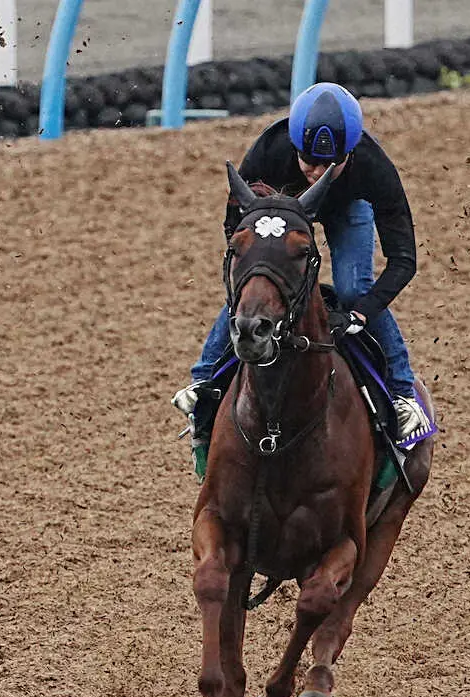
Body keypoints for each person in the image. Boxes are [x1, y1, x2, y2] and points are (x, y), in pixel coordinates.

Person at [173, 81, 432, 450]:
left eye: (331, 164)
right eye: (310, 161)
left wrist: (359, 314)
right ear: (294, 148)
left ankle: (403, 394)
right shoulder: (268, 153)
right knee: (260, 284)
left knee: (352, 288)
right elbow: (236, 231)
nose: (317, 173)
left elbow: (404, 260)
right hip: (279, 205)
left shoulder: (374, 168)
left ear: (351, 153)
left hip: (348, 208)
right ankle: (204, 381)